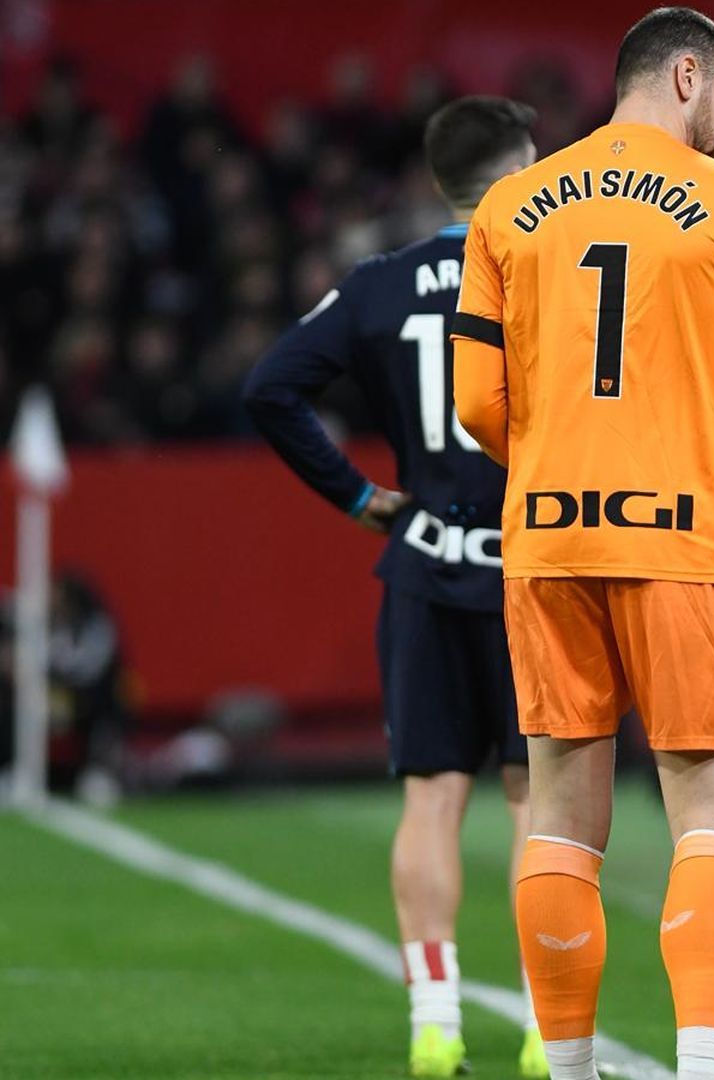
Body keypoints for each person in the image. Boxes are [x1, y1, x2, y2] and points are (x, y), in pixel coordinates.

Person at [449, 9, 714, 1080]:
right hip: (684, 535)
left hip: (548, 538)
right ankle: (699, 1065)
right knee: (709, 809)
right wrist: (696, 425)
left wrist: (556, 449)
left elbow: (475, 403)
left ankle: (568, 1068)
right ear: (686, 74)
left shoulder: (509, 205)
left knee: (562, 813)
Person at [243, 96, 545, 1079]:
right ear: (521, 172)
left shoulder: (381, 282)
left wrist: (356, 494)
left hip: (424, 558)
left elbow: (270, 388)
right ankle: (550, 1027)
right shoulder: (551, 270)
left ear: (439, 180)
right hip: (532, 567)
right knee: (541, 799)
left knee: (432, 797)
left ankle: (434, 1022)